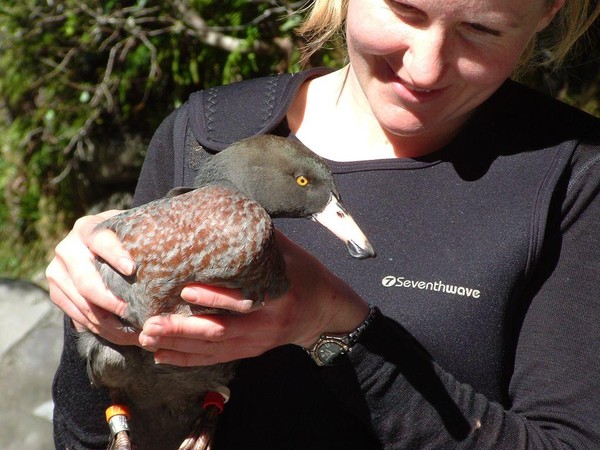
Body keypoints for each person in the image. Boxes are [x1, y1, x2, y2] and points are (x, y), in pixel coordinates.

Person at [47, 0, 600, 448]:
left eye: (482, 29)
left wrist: (334, 325)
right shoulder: (203, 132)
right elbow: (84, 433)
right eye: (405, 10)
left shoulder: (573, 176)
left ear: (550, 11)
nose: (426, 66)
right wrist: (88, 302)